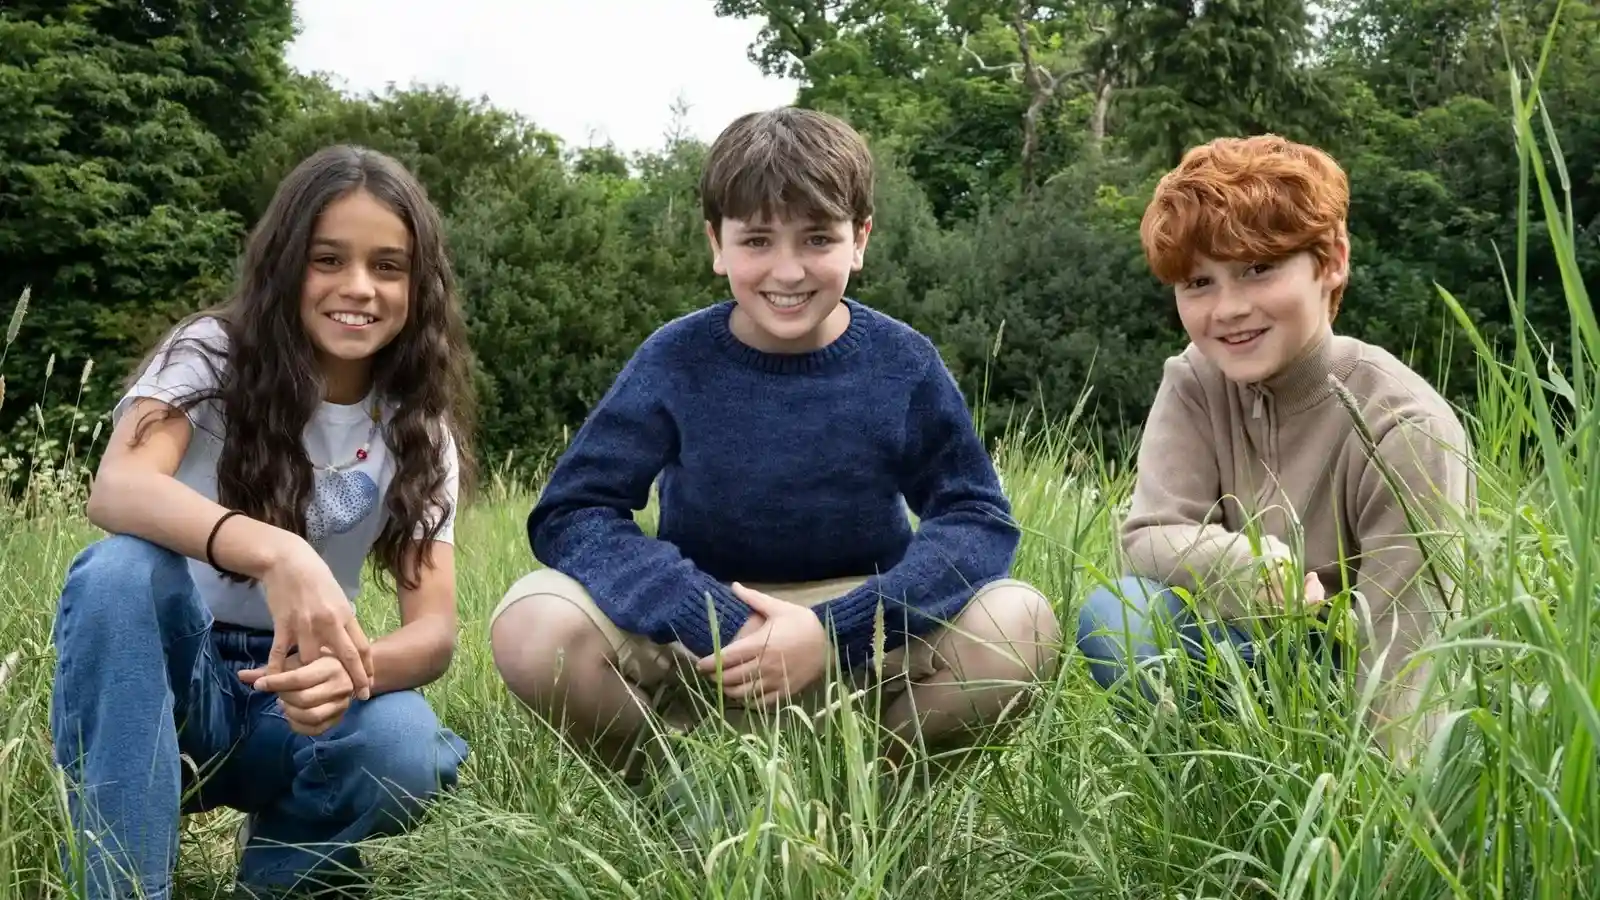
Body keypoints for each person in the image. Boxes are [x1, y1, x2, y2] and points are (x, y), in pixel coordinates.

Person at [488, 107, 1060, 793]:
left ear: (860, 240)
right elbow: (573, 511)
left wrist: (837, 630)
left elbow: (976, 517)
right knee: (531, 622)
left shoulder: (902, 362)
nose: (786, 271)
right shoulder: (675, 358)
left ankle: (864, 800)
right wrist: (704, 614)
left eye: (817, 238)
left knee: (1021, 621)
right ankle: (683, 798)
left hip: (860, 646)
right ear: (716, 243)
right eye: (757, 240)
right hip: (699, 644)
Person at [49, 145, 474, 899]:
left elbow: (433, 632)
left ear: (419, 283)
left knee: (407, 743)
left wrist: (352, 669)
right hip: (168, 679)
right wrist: (280, 552)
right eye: (328, 259)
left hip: (296, 697)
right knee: (120, 571)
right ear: (285, 264)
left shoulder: (418, 423)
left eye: (388, 266)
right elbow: (116, 486)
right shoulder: (211, 354)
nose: (358, 288)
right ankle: (123, 888)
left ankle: (280, 879)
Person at [1075, 134, 1474, 762]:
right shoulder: (1195, 382)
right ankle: (1214, 801)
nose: (1228, 309)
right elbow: (1150, 533)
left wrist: (1381, 825)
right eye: (1199, 282)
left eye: (1258, 269)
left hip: (1358, 672)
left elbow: (1407, 652)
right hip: (1242, 655)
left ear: (1332, 261)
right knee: (1118, 614)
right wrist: (1255, 569)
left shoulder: (1405, 424)